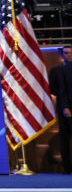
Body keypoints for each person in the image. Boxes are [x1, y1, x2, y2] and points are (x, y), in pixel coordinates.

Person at [51, 46, 72, 174]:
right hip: (63, 111)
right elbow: (53, 88)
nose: (68, 55)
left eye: (70, 53)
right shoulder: (55, 71)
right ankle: (67, 168)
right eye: (66, 53)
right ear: (62, 54)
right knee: (64, 140)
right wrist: (65, 106)